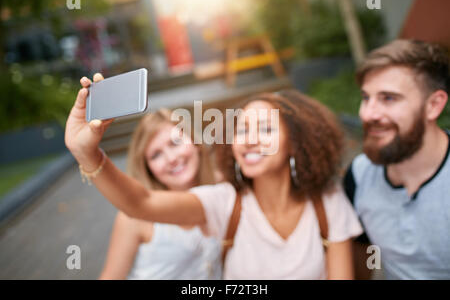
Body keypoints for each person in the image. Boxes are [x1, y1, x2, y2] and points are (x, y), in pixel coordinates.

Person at [65, 75, 363, 279]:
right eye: (242, 130)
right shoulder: (223, 201)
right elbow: (141, 202)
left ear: (295, 143)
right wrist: (89, 154)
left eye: (266, 129)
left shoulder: (328, 201)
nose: (249, 140)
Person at [343, 39, 450, 279]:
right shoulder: (358, 176)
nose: (368, 114)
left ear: (433, 105)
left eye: (388, 98)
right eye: (366, 97)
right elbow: (361, 265)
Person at [99, 109, 222, 279]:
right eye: (156, 155)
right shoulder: (134, 217)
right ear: (148, 168)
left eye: (175, 143)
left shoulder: (221, 189)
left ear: (194, 142)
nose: (171, 158)